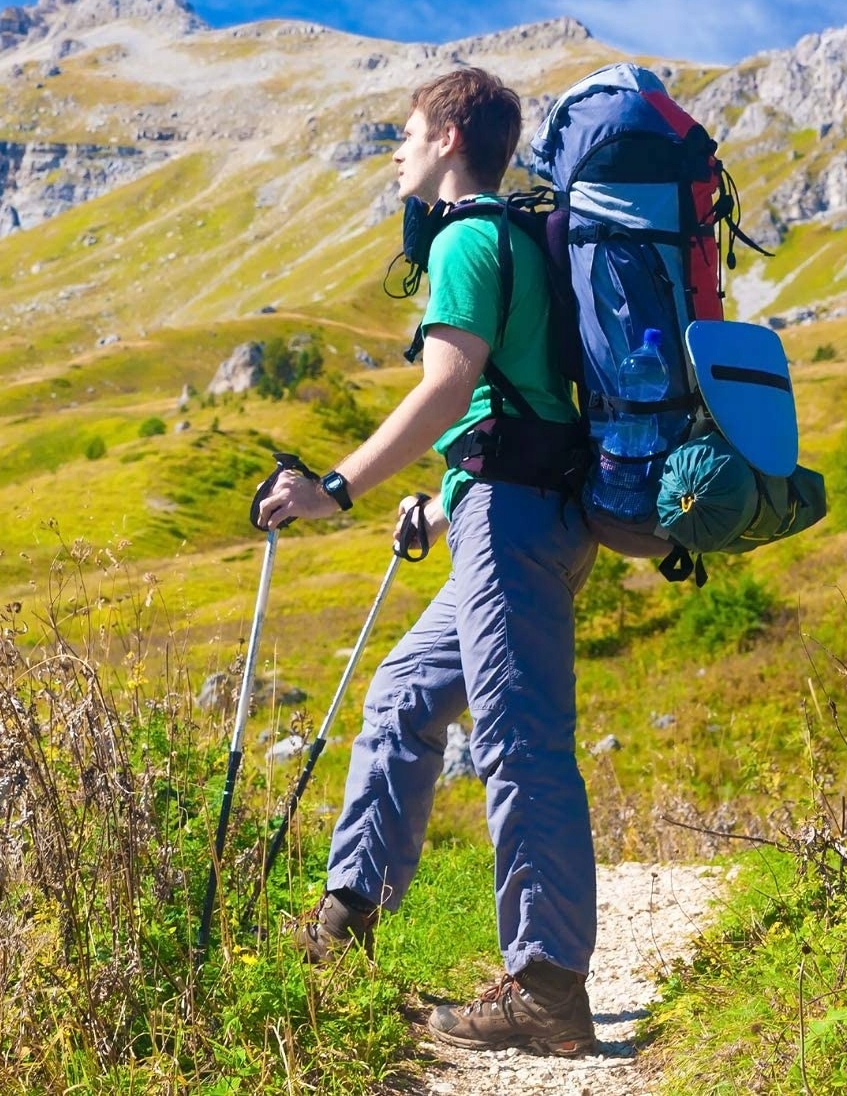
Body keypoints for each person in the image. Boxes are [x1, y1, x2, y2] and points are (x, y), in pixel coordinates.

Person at [254, 66, 599, 1057]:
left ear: (449, 136)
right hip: (509, 509)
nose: (397, 151)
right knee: (405, 691)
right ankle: (344, 922)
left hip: (514, 520)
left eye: (406, 133)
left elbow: (447, 388)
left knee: (518, 737)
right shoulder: (508, 241)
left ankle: (544, 987)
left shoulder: (466, 238)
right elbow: (512, 401)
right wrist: (443, 504)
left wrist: (337, 487)